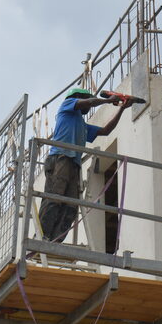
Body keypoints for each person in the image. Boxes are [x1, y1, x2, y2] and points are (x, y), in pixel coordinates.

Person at [39, 87, 132, 243]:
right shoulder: (67, 105)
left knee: (71, 206)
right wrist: (109, 100)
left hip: (73, 164)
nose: (89, 106)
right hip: (60, 158)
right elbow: (89, 102)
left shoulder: (82, 125)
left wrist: (121, 109)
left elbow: (105, 131)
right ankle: (43, 235)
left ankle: (55, 240)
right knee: (54, 197)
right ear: (78, 97)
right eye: (86, 101)